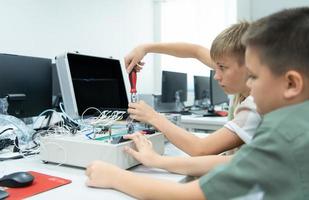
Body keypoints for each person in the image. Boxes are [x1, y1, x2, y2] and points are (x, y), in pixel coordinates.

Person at [86, 7, 309, 199]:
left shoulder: (280, 136)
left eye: (253, 76)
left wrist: (115, 176)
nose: (250, 85)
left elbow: (189, 195)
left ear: (291, 84)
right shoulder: (295, 122)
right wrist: (146, 47)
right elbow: (234, 164)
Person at [121, 22, 261, 176]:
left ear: (250, 66)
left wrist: (152, 117)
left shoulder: (256, 104)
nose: (216, 75)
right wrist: (145, 48)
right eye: (216, 67)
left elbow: (200, 149)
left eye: (222, 67)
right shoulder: (234, 65)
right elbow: (195, 51)